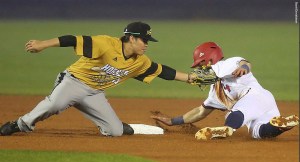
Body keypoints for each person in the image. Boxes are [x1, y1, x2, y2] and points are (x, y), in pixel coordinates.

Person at [0, 21, 193, 137]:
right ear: (131, 38)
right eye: (144, 40)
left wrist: (190, 78)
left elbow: (163, 72)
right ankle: (19, 124)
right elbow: (73, 39)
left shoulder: (140, 62)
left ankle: (114, 124)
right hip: (73, 82)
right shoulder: (106, 44)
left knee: (115, 132)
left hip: (94, 94)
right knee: (53, 105)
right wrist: (43, 44)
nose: (147, 44)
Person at [151, 42, 299, 140]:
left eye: (200, 63)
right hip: (265, 103)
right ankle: (281, 125)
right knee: (259, 132)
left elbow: (244, 63)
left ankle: (225, 130)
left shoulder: (225, 65)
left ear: (210, 59)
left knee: (234, 113)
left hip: (254, 97)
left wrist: (244, 68)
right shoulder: (215, 91)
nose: (198, 68)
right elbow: (200, 112)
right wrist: (172, 121)